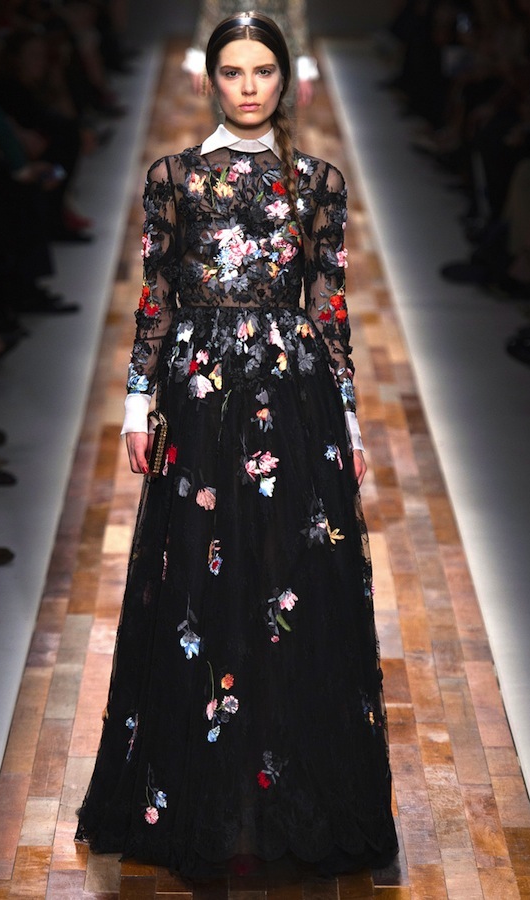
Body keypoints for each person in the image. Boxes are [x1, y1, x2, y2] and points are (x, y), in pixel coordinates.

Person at [76, 11, 398, 879]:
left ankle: (285, 793)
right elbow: (157, 296)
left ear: (285, 78)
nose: (249, 86)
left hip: (294, 397)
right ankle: (206, 797)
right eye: (233, 71)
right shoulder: (173, 177)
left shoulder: (319, 183)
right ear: (209, 79)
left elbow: (329, 306)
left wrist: (351, 422)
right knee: (197, 579)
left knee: (291, 577)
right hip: (201, 398)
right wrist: (137, 406)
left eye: (263, 70)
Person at [183, 0, 318, 107]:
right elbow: (210, 12)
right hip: (228, 45)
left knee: (278, 115)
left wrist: (303, 66)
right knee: (228, 112)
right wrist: (199, 56)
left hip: (276, 47)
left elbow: (296, 16)